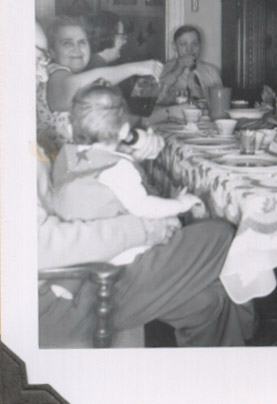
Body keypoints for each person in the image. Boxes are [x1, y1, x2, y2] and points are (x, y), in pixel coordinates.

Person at [38, 143, 256, 347]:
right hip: (57, 301)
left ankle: (218, 374)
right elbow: (43, 245)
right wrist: (142, 229)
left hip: (70, 280)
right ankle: (250, 326)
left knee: (208, 301)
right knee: (221, 234)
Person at [51, 80, 205, 224]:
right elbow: (144, 207)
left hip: (82, 235)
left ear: (70, 129)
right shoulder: (119, 168)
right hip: (122, 247)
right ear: (124, 131)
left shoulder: (64, 157)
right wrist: (180, 203)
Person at [37, 16, 163, 152]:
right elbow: (72, 88)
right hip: (61, 167)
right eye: (67, 43)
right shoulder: (53, 74)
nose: (77, 49)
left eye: (82, 42)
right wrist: (136, 68)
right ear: (52, 52)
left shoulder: (79, 74)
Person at [157, 25, 222, 106]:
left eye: (195, 44)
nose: (190, 50)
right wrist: (175, 72)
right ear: (174, 46)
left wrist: (203, 97)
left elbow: (220, 104)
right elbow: (154, 101)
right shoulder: (162, 70)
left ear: (200, 45)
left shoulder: (212, 72)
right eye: (183, 44)